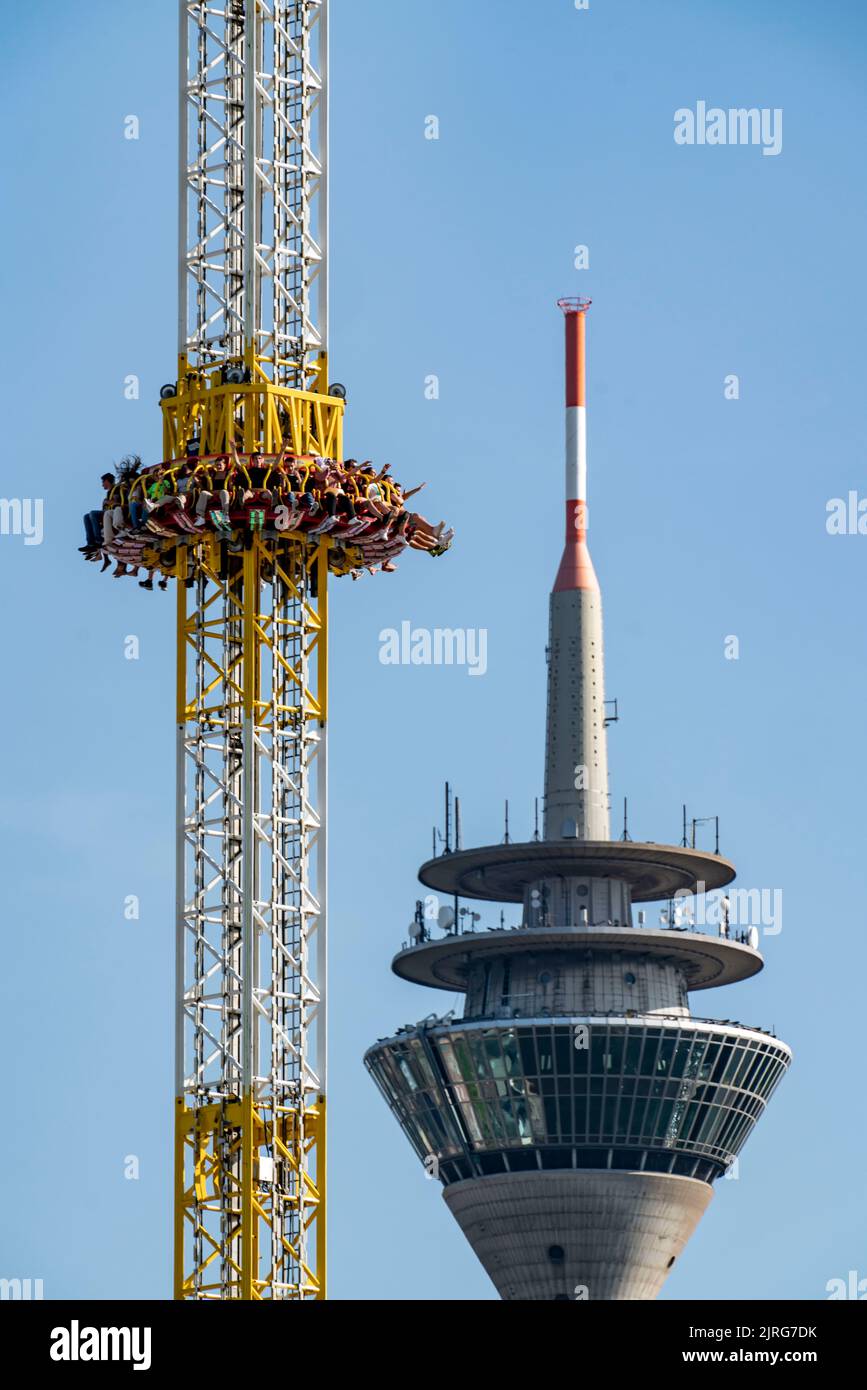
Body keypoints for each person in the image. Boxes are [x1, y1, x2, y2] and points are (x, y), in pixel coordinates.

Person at [80, 474, 114, 553]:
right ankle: (90, 543)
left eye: (103, 482)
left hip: (114, 512)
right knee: (86, 516)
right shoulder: (109, 493)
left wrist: (108, 502)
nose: (102, 485)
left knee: (93, 513)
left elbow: (118, 503)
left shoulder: (116, 489)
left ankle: (98, 540)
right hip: (107, 513)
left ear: (107, 481)